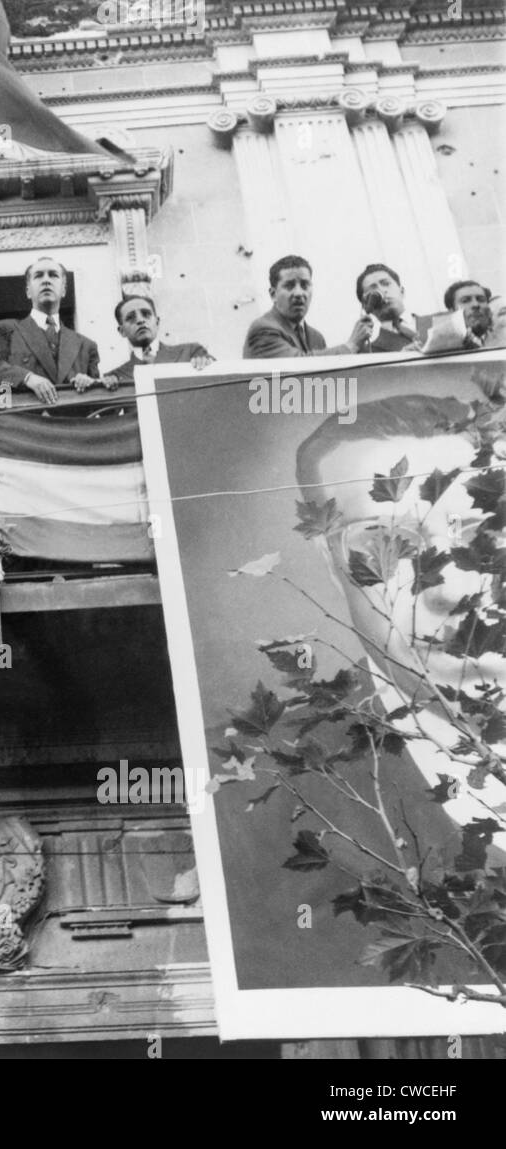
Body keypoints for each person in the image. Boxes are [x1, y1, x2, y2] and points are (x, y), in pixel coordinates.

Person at [214, 393, 505, 991]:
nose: (450, 591)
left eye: (481, 531)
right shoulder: (258, 802)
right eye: (388, 543)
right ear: (328, 559)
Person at [0, 257, 100, 404]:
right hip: (26, 422)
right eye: (38, 276)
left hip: (71, 424)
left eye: (53, 275)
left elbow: (103, 403)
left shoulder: (86, 346)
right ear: (28, 291)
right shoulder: (6, 330)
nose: (46, 280)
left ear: (64, 290)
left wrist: (89, 383)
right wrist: (27, 377)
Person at [242, 255, 374, 359]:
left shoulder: (316, 337)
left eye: (305, 285)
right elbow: (298, 368)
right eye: (289, 285)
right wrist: (351, 345)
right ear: (273, 294)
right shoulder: (262, 330)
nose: (299, 293)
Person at [102, 295, 213, 386]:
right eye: (131, 318)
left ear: (157, 322)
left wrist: (206, 364)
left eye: (146, 314)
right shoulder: (114, 376)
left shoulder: (190, 353)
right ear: (122, 331)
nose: (140, 320)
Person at [354, 263, 430, 352]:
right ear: (366, 305)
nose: (382, 291)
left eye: (386, 283)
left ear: (401, 291)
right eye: (373, 290)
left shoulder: (440, 322)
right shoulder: (370, 352)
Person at [442, 279, 493, 348]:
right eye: (465, 301)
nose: (476, 304)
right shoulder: (443, 346)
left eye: (481, 299)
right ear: (452, 311)